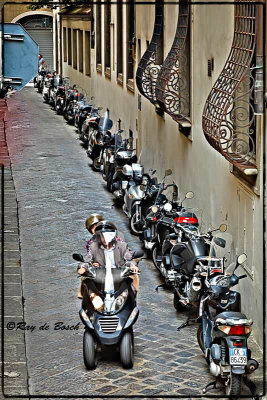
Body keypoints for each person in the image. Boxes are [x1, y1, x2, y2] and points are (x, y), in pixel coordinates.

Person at [78, 220, 139, 297]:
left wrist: (132, 266)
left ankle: (133, 298)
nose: (105, 238)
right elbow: (87, 260)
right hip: (100, 275)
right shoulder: (93, 246)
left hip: (119, 275)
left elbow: (129, 259)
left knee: (133, 277)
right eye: (102, 236)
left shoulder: (122, 245)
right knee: (86, 280)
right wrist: (83, 267)